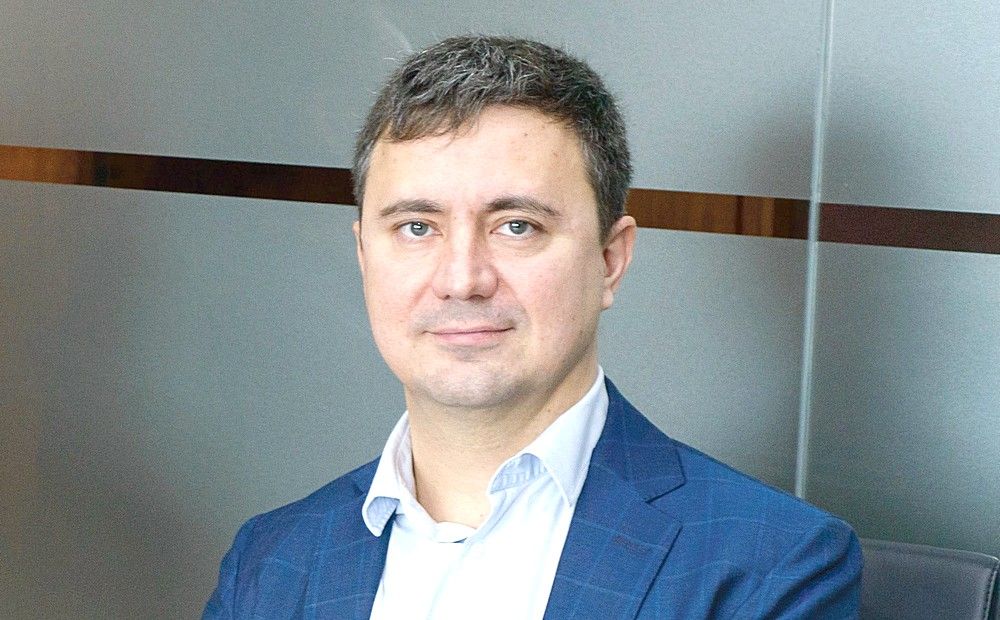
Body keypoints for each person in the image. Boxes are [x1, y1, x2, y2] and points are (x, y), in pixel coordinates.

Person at [204, 35, 861, 619]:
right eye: (417, 227)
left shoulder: (770, 567)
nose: (462, 278)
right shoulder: (270, 562)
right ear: (363, 257)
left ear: (610, 260)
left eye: (516, 226)